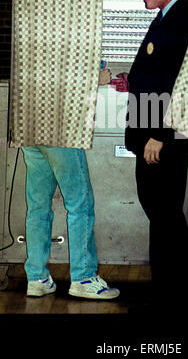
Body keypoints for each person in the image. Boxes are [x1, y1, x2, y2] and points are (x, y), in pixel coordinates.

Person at [125, 0, 188, 307]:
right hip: (154, 131)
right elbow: (155, 74)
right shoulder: (167, 16)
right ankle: (172, 290)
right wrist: (130, 80)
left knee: (164, 212)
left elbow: (178, 81)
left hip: (161, 136)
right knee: (162, 212)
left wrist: (159, 133)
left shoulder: (181, 19)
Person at [23, 68, 120, 300]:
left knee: (38, 207)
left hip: (29, 123)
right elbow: (63, 79)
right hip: (60, 128)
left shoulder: (35, 34)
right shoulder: (71, 33)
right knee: (80, 204)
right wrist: (95, 78)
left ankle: (37, 278)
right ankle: (84, 278)